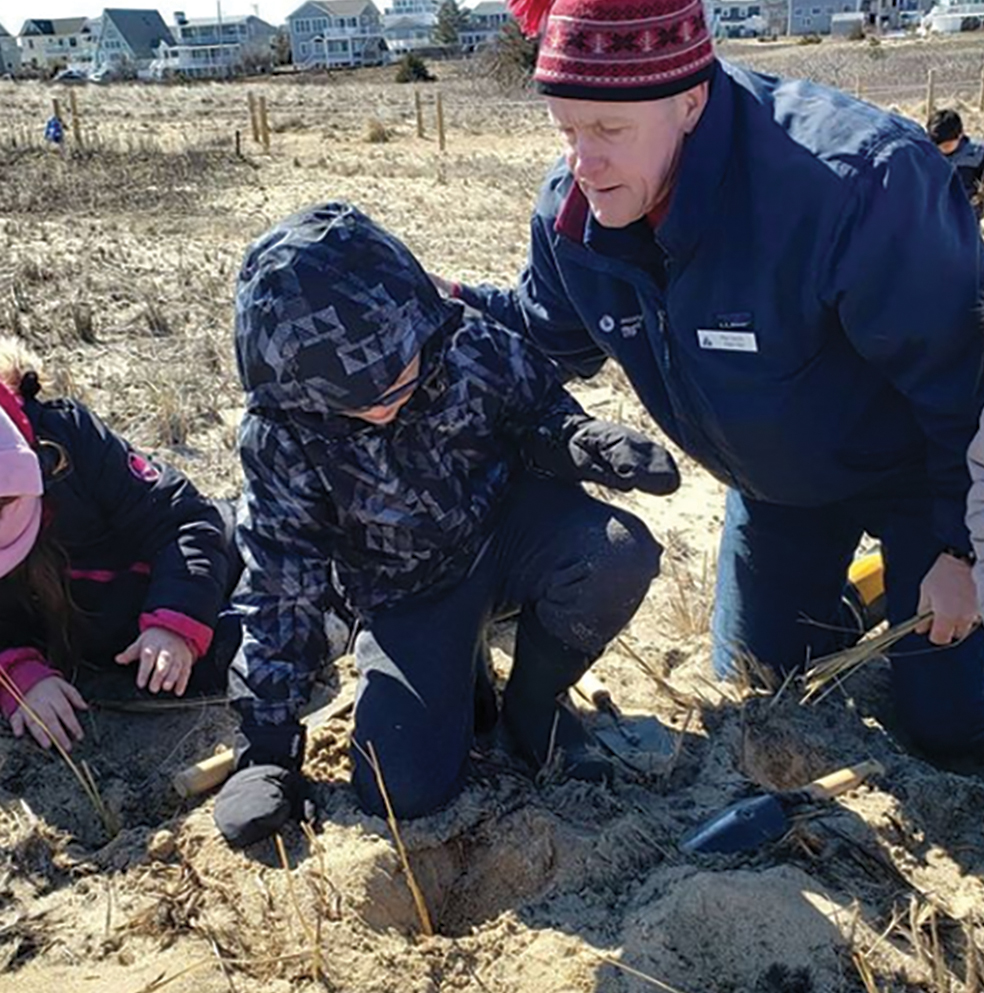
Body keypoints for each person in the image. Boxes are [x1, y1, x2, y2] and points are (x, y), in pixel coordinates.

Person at [440, 0, 984, 756]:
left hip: (926, 476)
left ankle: (915, 573)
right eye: (566, 129)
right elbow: (546, 335)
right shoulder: (576, 212)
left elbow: (966, 380)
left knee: (954, 731)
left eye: (608, 130)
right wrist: (441, 309)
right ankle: (870, 584)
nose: (582, 162)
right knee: (759, 682)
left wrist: (964, 551)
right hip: (780, 487)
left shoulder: (857, 186)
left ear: (690, 100)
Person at [214, 201, 675, 848]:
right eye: (354, 401)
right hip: (406, 589)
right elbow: (279, 584)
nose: (382, 407)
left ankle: (535, 705)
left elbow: (536, 405)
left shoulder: (463, 338)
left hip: (508, 530)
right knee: (403, 789)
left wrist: (575, 441)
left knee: (616, 554)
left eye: (395, 378)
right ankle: (466, 680)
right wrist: (266, 746)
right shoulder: (281, 436)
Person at [0, 337, 238, 754]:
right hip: (97, 648)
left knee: (247, 647)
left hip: (188, 582)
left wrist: (174, 624)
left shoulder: (70, 442)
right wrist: (16, 674)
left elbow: (182, 520)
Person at [927, 108, 984, 215]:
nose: (941, 149)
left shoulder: (977, 154)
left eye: (946, 145)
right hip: (935, 213)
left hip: (966, 214)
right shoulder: (924, 153)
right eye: (936, 144)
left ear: (960, 135)